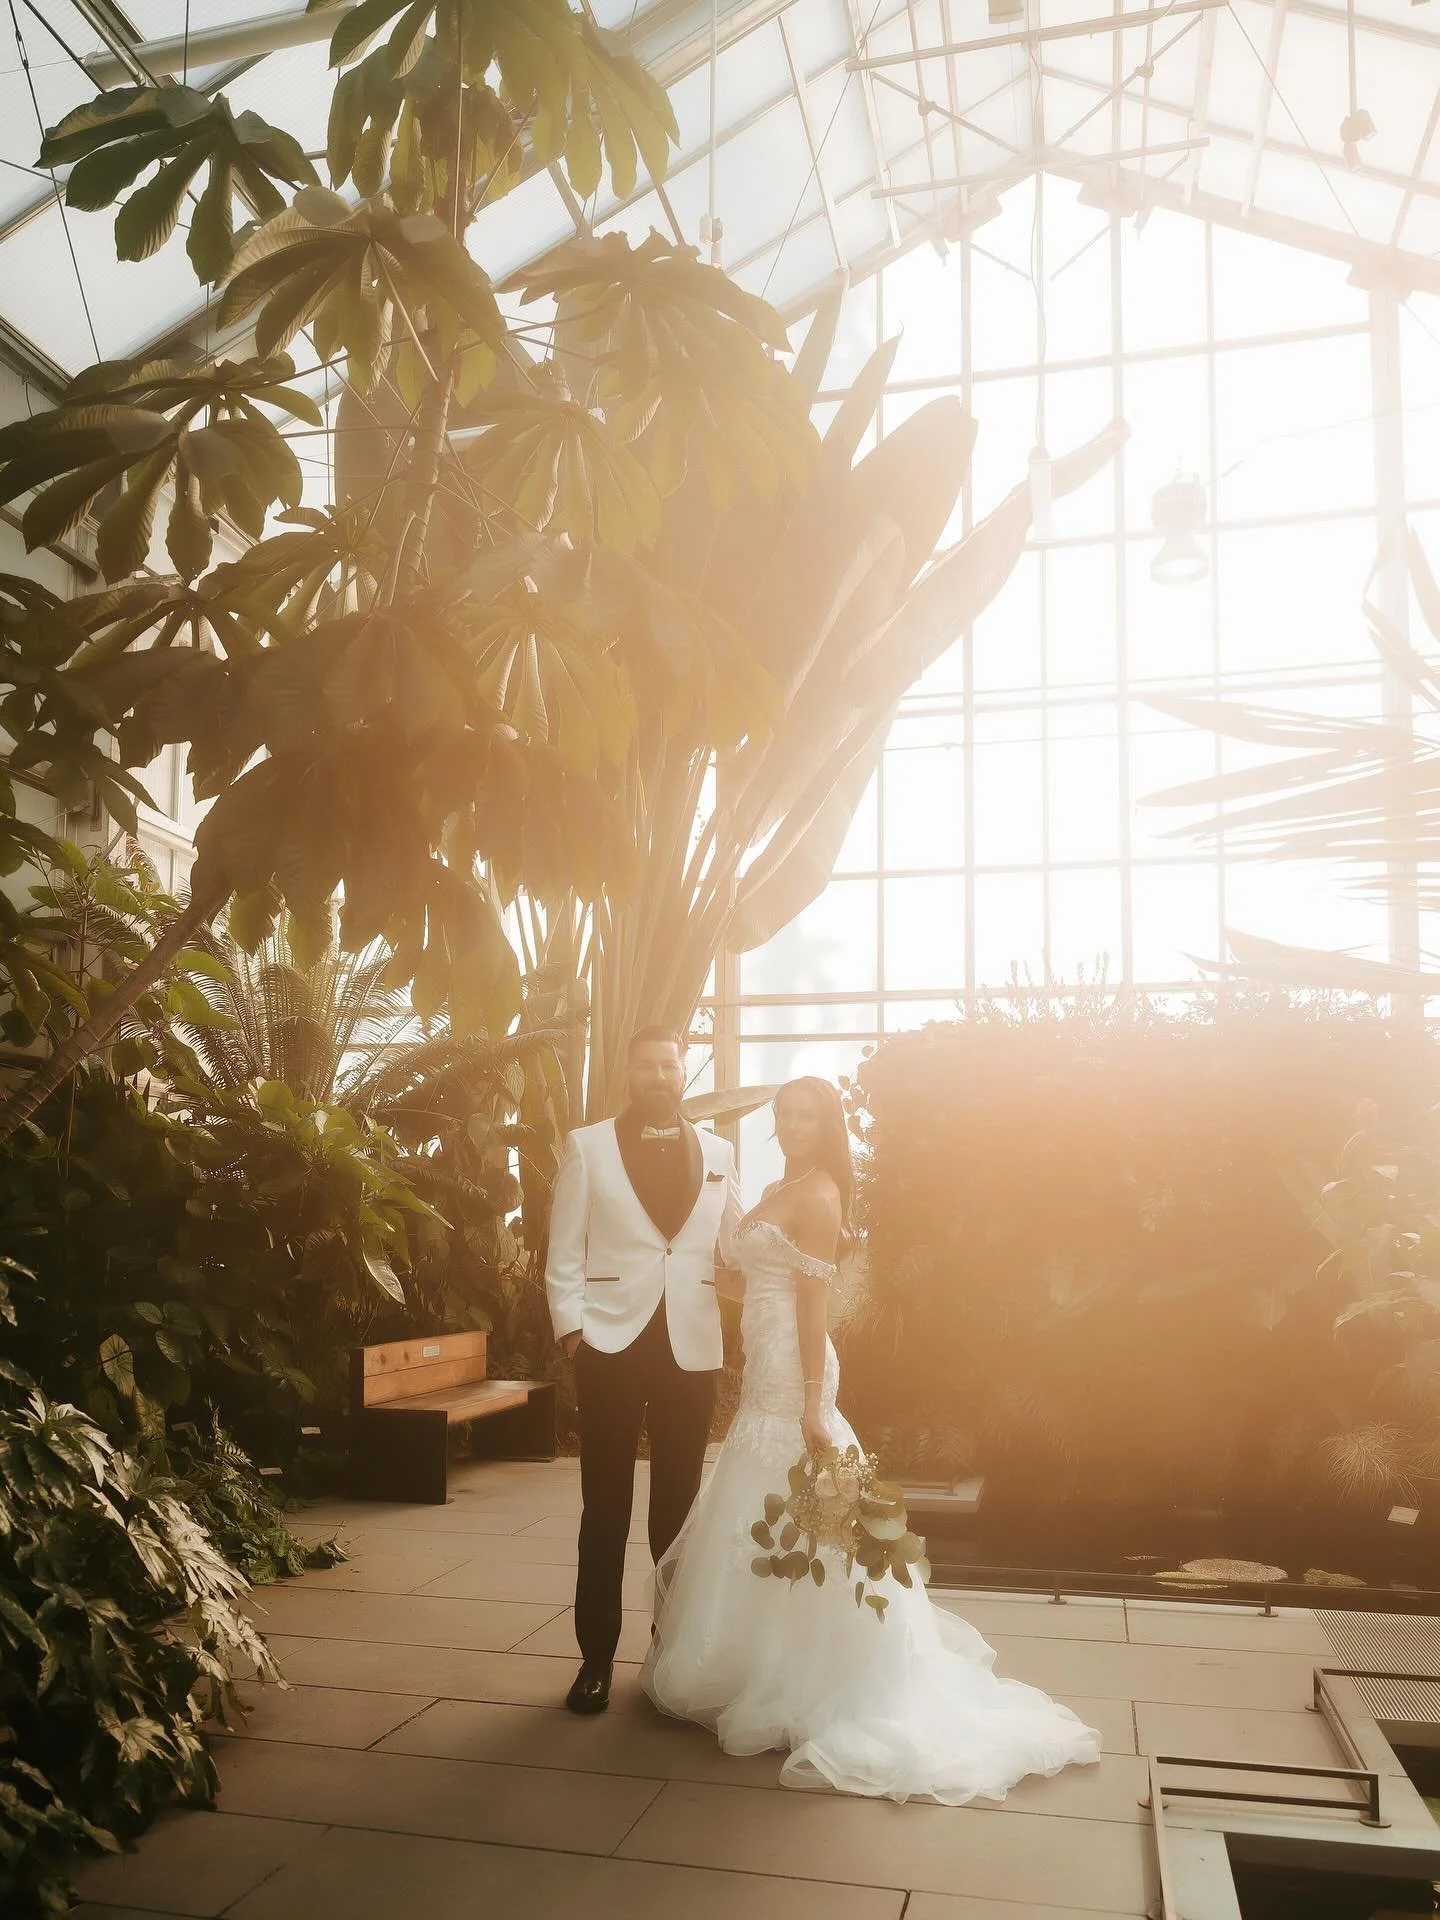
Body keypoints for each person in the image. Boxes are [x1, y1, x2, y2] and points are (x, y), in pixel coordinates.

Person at [642, 1075, 1103, 1803]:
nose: (793, 1125)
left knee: (816, 1519)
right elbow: (757, 1283)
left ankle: (820, 1676)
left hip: (794, 1372)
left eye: (807, 1116)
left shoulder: (820, 1194)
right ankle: (750, 1661)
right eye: (785, 1114)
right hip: (765, 1356)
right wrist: (695, 1276)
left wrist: (812, 1407)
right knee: (761, 1506)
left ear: (827, 1126)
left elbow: (811, 1305)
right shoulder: (783, 1183)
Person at [545, 1026, 742, 1716]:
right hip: (610, 1344)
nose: (660, 1074)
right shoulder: (588, 1145)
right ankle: (595, 1658)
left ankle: (669, 1653)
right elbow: (563, 1249)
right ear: (628, 1073)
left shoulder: (718, 1152)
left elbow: (737, 1242)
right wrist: (573, 1334)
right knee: (605, 1507)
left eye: (670, 1064)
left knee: (679, 1511)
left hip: (690, 1349)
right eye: (648, 1065)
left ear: (681, 1072)